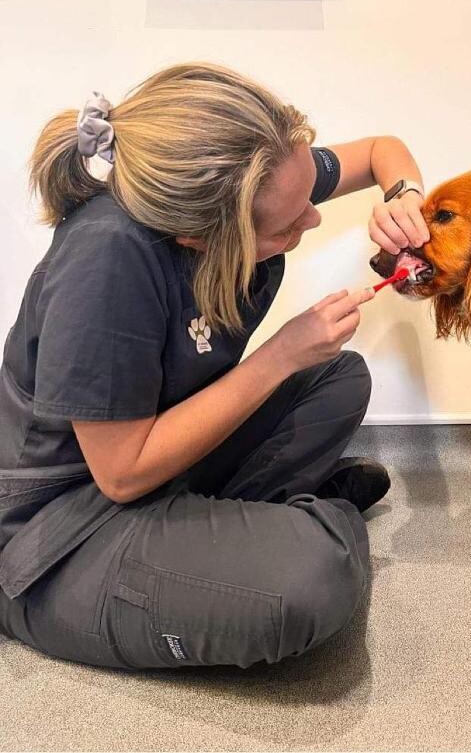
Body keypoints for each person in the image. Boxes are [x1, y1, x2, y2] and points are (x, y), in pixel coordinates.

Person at [0, 62, 429, 669]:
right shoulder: (107, 265)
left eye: (309, 198)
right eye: (289, 222)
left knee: (339, 378)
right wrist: (280, 356)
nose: (312, 217)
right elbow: (120, 476)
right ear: (202, 238)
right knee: (307, 585)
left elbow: (383, 150)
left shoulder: (262, 175)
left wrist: (402, 196)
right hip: (57, 529)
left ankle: (234, 528)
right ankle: (297, 527)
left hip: (160, 460)